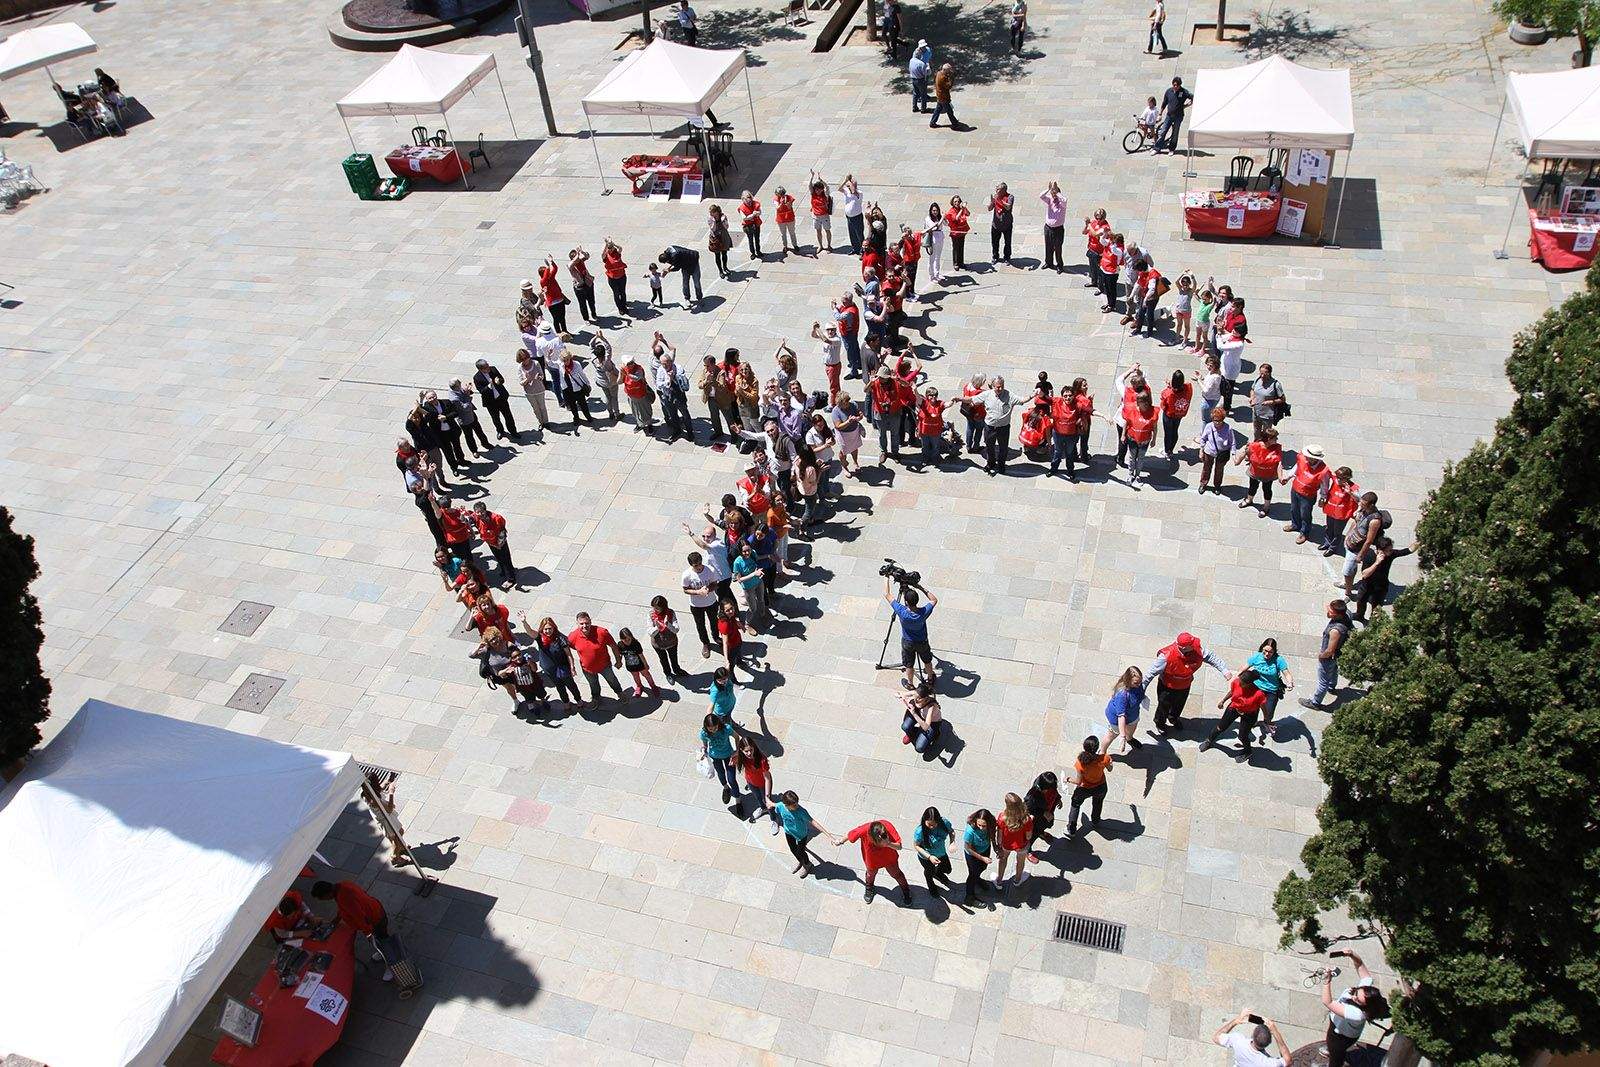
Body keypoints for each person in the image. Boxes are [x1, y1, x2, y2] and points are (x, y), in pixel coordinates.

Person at [310, 880, 405, 982]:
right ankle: (384, 954)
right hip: (375, 910)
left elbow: (360, 917)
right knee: (382, 940)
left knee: (383, 943)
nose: (325, 900)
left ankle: (392, 966)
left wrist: (368, 933)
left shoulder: (344, 898)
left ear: (327, 894)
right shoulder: (342, 886)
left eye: (323, 898)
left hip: (374, 920)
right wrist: (337, 919)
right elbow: (344, 908)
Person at [1147, 631, 1231, 732]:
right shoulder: (1165, 656)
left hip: (1184, 686)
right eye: (1192, 644)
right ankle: (1160, 724)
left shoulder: (1197, 649)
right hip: (1167, 687)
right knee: (1163, 707)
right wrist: (1140, 690)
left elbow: (1211, 657)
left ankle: (1173, 718)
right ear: (1184, 647)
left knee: (1179, 704)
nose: (1196, 646)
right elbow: (1150, 673)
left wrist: (1224, 670)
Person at [1321, 950, 1389, 1067]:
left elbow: (1328, 1002)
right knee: (1333, 1047)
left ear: (1366, 1007)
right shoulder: (1364, 992)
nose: (1353, 997)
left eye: (1358, 1000)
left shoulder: (1357, 1014)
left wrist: (1327, 981)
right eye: (1356, 992)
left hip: (1341, 1036)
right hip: (1339, 1026)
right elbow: (1360, 965)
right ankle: (1332, 1051)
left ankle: (1334, 1058)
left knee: (1336, 1057)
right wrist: (1352, 954)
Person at [842, 819, 913, 905]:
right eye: (879, 843)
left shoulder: (888, 826)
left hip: (889, 857)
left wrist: (888, 844)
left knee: (897, 874)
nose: (881, 845)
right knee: (870, 875)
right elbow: (850, 836)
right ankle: (869, 887)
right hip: (872, 860)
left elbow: (899, 847)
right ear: (871, 837)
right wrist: (840, 841)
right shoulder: (864, 830)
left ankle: (906, 890)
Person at [1200, 667, 1269, 755]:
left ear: (1249, 684)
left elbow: (1263, 706)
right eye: (1240, 681)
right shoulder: (1236, 682)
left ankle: (1248, 752)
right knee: (1220, 727)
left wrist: (1266, 718)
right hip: (1234, 708)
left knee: (1243, 736)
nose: (1240, 683)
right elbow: (1232, 692)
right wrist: (1223, 701)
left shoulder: (1258, 694)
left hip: (1249, 714)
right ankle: (1209, 740)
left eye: (1242, 683)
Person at [886, 575, 938, 689]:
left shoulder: (901, 611)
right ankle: (930, 679)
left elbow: (887, 595)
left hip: (908, 642)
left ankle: (910, 684)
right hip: (922, 641)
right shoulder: (923, 612)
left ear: (906, 601)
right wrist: (920, 587)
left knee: (909, 664)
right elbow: (934, 600)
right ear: (917, 600)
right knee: (927, 660)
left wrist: (887, 578)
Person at [1300, 600, 1352, 710]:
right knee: (1334, 670)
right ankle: (1332, 687)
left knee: (1323, 681)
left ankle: (1315, 703)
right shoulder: (1347, 614)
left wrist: (1321, 656)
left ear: (1338, 614)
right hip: (1339, 654)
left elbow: (1330, 650)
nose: (1328, 612)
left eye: (1331, 612)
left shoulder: (1335, 631)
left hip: (1328, 658)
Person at [525, 614, 584, 708]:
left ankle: (578, 700)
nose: (548, 631)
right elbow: (530, 632)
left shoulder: (560, 638)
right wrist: (524, 622)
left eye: (550, 628)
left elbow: (568, 654)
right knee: (560, 687)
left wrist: (572, 667)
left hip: (563, 668)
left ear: (554, 628)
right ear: (542, 629)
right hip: (550, 670)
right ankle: (566, 702)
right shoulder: (540, 638)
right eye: (545, 629)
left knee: (571, 685)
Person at [1352, 537, 1415, 623]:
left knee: (1376, 608)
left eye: (1391, 549)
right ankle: (1359, 616)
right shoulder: (1369, 555)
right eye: (1388, 550)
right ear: (1379, 550)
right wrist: (1376, 563)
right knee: (1361, 601)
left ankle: (1373, 622)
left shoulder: (1391, 554)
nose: (1391, 552)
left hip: (1381, 587)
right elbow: (1365, 574)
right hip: (1367, 585)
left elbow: (1408, 550)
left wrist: (1420, 541)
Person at [774, 790, 836, 877]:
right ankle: (801, 861)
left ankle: (807, 864)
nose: (797, 806)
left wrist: (829, 836)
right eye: (794, 805)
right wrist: (768, 801)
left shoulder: (801, 811)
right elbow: (773, 805)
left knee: (801, 852)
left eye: (797, 803)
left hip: (801, 835)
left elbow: (813, 822)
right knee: (793, 849)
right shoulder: (780, 806)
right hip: (788, 832)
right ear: (786, 805)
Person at [1339, 493, 1388, 598]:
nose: (1360, 504)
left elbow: (1369, 540)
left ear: (1371, 505)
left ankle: (1348, 592)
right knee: (1350, 569)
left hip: (1356, 549)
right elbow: (1355, 522)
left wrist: (1360, 555)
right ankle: (1347, 583)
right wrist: (1348, 535)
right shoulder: (1362, 510)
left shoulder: (1375, 521)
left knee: (1347, 571)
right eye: (1361, 502)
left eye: (1363, 504)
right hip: (1350, 542)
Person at [1245, 638, 1294, 742]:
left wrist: (1290, 682)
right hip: (1256, 688)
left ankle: (1266, 722)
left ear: (1274, 651)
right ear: (1262, 648)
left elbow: (1287, 673)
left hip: (1271, 690)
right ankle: (1252, 723)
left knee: (1269, 713)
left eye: (1270, 652)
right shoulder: (1257, 657)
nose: (1267, 654)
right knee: (1252, 710)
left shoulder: (1278, 660)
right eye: (1265, 651)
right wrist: (1237, 678)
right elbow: (1244, 667)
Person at [569, 612, 625, 702]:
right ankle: (596, 698)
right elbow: (568, 649)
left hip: (605, 666)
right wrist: (571, 667)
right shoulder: (573, 637)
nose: (584, 626)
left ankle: (620, 693)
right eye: (581, 624)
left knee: (612, 680)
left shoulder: (602, 632)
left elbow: (614, 646)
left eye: (587, 623)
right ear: (577, 624)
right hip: (587, 669)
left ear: (590, 621)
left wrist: (618, 661)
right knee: (593, 685)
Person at [1283, 443, 1332, 544]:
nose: (1306, 457)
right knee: (1294, 509)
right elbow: (1296, 468)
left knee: (1305, 514)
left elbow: (1324, 486)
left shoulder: (1323, 471)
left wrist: (1323, 498)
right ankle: (1295, 525)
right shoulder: (1303, 459)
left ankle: (1304, 533)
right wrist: (1287, 477)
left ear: (1315, 459)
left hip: (1307, 496)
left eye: (1308, 457)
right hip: (1295, 489)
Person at [971, 375, 1018, 475]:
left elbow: (1021, 400)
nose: (1000, 389)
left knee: (1003, 448)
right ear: (992, 386)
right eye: (998, 387)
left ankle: (1001, 465)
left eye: (1002, 386)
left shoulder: (1008, 395)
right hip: (990, 427)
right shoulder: (987, 394)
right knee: (989, 446)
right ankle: (990, 463)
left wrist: (1031, 396)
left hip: (1003, 428)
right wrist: (959, 399)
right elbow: (972, 399)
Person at [1066, 736, 1113, 833]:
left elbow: (1078, 782)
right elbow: (1110, 769)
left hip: (1084, 789)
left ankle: (1071, 829)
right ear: (1097, 748)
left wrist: (1068, 779)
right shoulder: (1104, 758)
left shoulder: (1080, 763)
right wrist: (1110, 763)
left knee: (1075, 804)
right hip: (1100, 787)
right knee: (1098, 804)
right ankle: (1095, 821)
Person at [1212, 1009, 1290, 1067]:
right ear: (1268, 1043)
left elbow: (1216, 1037)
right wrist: (1276, 1032)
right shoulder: (1269, 1063)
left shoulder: (1238, 1041)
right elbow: (1288, 1060)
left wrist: (1236, 1021)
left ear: (1252, 1035)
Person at [1235, 425, 1283, 516]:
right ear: (1268, 439)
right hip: (1255, 472)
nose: (1277, 439)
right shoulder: (1254, 446)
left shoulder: (1277, 448)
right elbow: (1245, 452)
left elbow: (1279, 463)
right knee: (1252, 487)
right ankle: (1249, 500)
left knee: (1267, 489)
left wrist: (1280, 477)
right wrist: (1237, 459)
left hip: (1268, 474)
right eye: (1275, 438)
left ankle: (1266, 507)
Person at [735, 734, 779, 832]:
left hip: (763, 784)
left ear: (754, 747)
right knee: (758, 798)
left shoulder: (762, 759)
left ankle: (774, 819)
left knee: (768, 802)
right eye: (746, 751)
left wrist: (767, 796)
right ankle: (762, 808)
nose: (749, 753)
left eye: (751, 750)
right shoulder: (741, 757)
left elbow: (767, 778)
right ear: (741, 750)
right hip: (751, 782)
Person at [700, 710, 741, 809]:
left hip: (728, 756)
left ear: (718, 724)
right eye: (711, 729)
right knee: (721, 773)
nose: (713, 730)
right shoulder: (704, 733)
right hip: (715, 757)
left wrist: (737, 751)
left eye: (715, 727)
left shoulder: (726, 729)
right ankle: (726, 788)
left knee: (732, 779)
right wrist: (703, 751)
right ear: (706, 727)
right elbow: (705, 745)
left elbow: (737, 737)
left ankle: (738, 801)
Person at [912, 807, 956, 897]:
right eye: (929, 824)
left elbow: (951, 831)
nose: (932, 827)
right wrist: (929, 857)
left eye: (935, 824)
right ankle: (931, 885)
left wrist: (952, 842)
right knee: (929, 872)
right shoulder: (920, 831)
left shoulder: (944, 823)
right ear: (924, 820)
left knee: (948, 869)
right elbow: (916, 845)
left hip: (941, 853)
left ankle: (938, 873)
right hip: (926, 857)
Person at [470, 502, 516, 589]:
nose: (480, 514)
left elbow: (502, 531)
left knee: (506, 559)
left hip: (499, 542)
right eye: (478, 512)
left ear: (485, 510)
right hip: (490, 542)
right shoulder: (475, 517)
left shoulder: (495, 518)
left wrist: (499, 544)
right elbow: (468, 519)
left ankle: (511, 579)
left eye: (482, 512)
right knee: (498, 557)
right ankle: (503, 570)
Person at [1102, 665, 1147, 753]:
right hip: (1116, 720)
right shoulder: (1122, 695)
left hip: (1133, 715)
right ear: (1128, 680)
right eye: (1136, 683)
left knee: (1131, 730)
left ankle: (1129, 738)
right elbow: (1121, 716)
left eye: (1140, 682)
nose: (1139, 685)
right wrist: (1122, 737)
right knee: (1110, 736)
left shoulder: (1138, 685)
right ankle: (1102, 752)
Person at [993, 793, 1033, 887]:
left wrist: (999, 846)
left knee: (1003, 860)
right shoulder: (1026, 819)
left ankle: (999, 881)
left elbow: (999, 836)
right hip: (1021, 845)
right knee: (1020, 862)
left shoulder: (1002, 817)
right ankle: (1017, 880)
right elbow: (1028, 837)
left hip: (1006, 845)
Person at [472, 359, 519, 440]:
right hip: (490, 402)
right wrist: (488, 387)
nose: (488, 368)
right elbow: (481, 391)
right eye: (486, 367)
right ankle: (500, 431)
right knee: (495, 418)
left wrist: (499, 381)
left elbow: (502, 379)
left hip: (501, 398)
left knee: (508, 416)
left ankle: (513, 431)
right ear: (481, 369)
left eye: (488, 365)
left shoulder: (493, 369)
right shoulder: (477, 377)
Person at [1320, 467, 1360, 556]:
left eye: (1341, 478)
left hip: (1342, 515)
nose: (1338, 480)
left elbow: (1359, 500)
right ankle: (1327, 543)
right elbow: (1327, 473)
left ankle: (1332, 548)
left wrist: (1350, 493)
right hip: (1331, 511)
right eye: (1337, 477)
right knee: (1329, 528)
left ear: (1347, 478)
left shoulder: (1353, 488)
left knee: (1337, 532)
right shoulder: (1336, 480)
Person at [731, 541, 769, 632]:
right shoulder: (737, 562)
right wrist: (754, 574)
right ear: (740, 551)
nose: (747, 553)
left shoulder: (753, 553)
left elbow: (757, 559)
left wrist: (768, 556)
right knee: (753, 608)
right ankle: (747, 624)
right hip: (748, 587)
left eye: (748, 550)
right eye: (744, 551)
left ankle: (763, 615)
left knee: (761, 600)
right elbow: (739, 579)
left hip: (759, 582)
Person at [899, 679, 943, 753]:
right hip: (919, 713)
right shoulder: (917, 693)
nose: (916, 700)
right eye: (915, 696)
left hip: (932, 723)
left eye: (919, 698)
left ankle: (933, 734)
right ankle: (912, 734)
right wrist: (902, 696)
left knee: (919, 747)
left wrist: (914, 713)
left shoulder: (931, 707)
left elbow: (926, 727)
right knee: (905, 726)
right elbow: (900, 694)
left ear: (926, 698)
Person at [513, 348, 551, 435]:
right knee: (535, 408)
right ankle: (540, 422)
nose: (525, 360)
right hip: (529, 392)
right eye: (523, 359)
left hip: (539, 389)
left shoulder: (536, 363)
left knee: (542, 407)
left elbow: (542, 375)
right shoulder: (520, 367)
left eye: (526, 358)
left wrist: (539, 377)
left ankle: (546, 422)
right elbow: (521, 382)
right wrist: (527, 379)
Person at [1159, 370, 1192, 462]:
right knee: (1175, 431)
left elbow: (1163, 405)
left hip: (1169, 415)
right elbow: (1185, 385)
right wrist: (1171, 385)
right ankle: (1171, 450)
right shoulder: (1189, 388)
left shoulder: (1168, 393)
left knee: (1168, 433)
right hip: (1179, 414)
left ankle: (1166, 451)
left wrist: (1169, 387)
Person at [615, 628, 659, 698]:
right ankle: (639, 686)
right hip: (630, 666)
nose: (627, 642)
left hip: (640, 665)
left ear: (631, 637)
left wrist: (645, 664)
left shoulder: (636, 644)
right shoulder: (620, 645)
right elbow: (621, 654)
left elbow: (641, 655)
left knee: (646, 675)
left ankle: (653, 686)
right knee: (635, 676)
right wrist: (619, 662)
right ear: (621, 639)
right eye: (625, 640)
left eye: (629, 639)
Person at [1023, 771, 1061, 848]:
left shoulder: (1050, 784)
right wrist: (1043, 813)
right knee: (1033, 835)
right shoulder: (1032, 795)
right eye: (1047, 789)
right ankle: (1028, 849)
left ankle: (1041, 833)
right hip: (1037, 819)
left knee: (1043, 826)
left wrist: (1058, 799)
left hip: (1048, 813)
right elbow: (1029, 809)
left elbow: (1055, 793)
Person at [1155, 75, 1192, 153]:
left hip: (1179, 116)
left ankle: (1171, 149)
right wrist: (1160, 113)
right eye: (1174, 85)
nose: (1175, 87)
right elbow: (1164, 103)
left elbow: (1192, 97)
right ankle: (1157, 148)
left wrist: (1186, 105)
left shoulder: (1184, 92)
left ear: (1180, 85)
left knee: (1175, 133)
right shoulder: (1169, 91)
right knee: (1163, 131)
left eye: (1177, 85)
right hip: (1169, 115)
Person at [1250, 363, 1287, 437]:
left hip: (1267, 415)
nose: (1262, 376)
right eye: (1261, 373)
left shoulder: (1276, 385)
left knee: (1266, 434)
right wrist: (1252, 398)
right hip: (1256, 412)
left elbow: (1283, 399)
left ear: (1269, 373)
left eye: (1264, 374)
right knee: (1256, 431)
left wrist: (1271, 402)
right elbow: (1252, 390)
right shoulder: (1258, 380)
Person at [1039, 182, 1066, 271]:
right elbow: (1041, 196)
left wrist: (1057, 192)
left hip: (1058, 229)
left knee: (1058, 248)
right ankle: (1048, 262)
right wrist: (1048, 189)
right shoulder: (1049, 200)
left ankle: (1059, 265)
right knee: (1048, 246)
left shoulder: (1062, 203)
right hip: (1048, 228)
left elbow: (1064, 200)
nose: (1053, 195)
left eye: (1055, 193)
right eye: (1052, 193)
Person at [988, 182, 1015, 265]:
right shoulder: (995, 197)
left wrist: (1000, 201)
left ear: (1004, 190)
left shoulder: (1010, 197)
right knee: (994, 242)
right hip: (996, 225)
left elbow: (1008, 207)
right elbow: (989, 208)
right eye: (996, 189)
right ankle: (995, 256)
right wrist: (992, 202)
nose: (996, 191)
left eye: (998, 189)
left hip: (1007, 225)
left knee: (1007, 242)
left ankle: (1007, 257)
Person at [838, 175, 865, 255]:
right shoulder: (847, 191)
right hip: (849, 217)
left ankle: (863, 250)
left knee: (859, 234)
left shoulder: (859, 193)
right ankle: (855, 248)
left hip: (857, 217)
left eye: (852, 183)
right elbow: (839, 188)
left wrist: (850, 181)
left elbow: (853, 192)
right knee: (852, 234)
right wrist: (845, 180)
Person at [929, 63, 957, 128]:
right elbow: (948, 86)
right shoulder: (942, 77)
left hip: (940, 96)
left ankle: (932, 122)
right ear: (944, 70)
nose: (949, 72)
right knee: (949, 111)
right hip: (943, 97)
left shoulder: (939, 73)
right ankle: (955, 123)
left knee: (938, 110)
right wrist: (952, 78)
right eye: (948, 71)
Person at [908, 46, 930, 112]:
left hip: (913, 79)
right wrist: (928, 68)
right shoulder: (921, 64)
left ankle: (914, 107)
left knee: (915, 93)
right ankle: (923, 109)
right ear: (920, 55)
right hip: (921, 80)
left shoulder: (911, 60)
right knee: (923, 94)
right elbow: (925, 73)